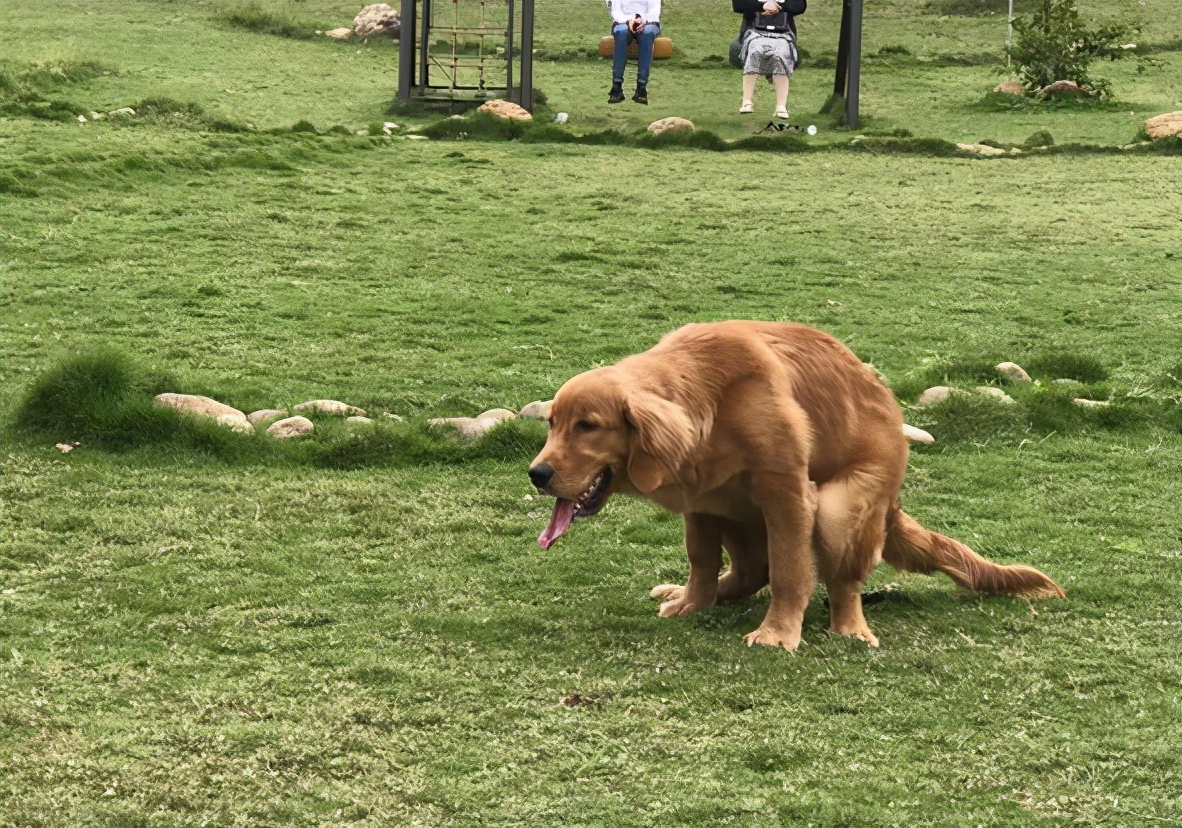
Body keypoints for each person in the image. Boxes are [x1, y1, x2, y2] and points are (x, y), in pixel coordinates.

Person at [732, 0, 805, 119]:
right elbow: (739, 4)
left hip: (783, 32)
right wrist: (762, 6)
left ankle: (781, 106)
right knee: (755, 51)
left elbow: (799, 6)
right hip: (755, 31)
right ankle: (747, 101)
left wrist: (779, 6)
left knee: (781, 56)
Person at [605, 0, 661, 105]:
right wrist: (629, 21)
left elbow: (654, 10)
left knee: (647, 34)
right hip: (623, 21)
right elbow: (616, 12)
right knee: (621, 33)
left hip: (648, 22)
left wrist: (643, 21)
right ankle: (616, 86)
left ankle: (641, 88)